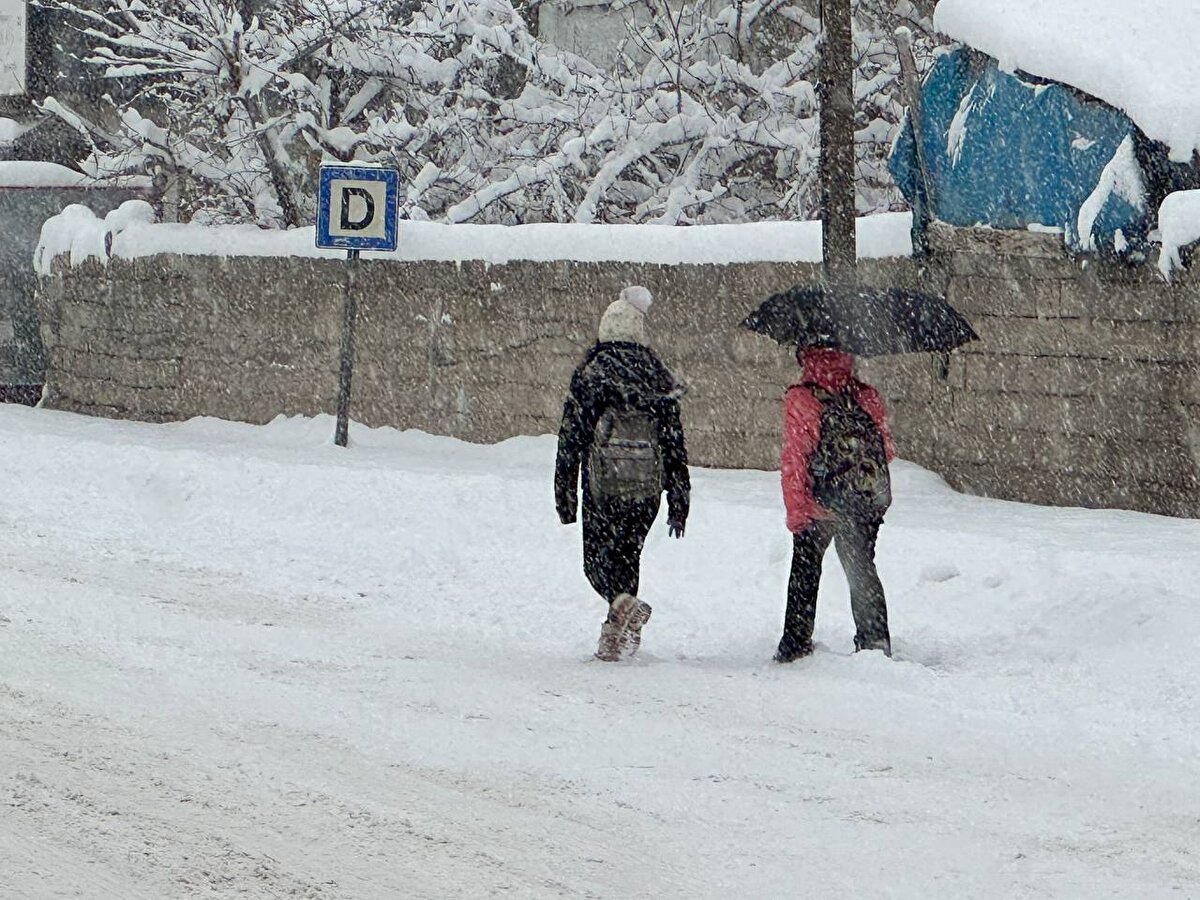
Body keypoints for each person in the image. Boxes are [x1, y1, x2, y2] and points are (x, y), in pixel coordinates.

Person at [555, 286, 689, 661]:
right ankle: (616, 637)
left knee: (595, 562)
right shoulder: (658, 378)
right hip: (646, 487)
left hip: (603, 485)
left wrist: (564, 494)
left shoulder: (591, 374)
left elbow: (571, 439)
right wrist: (679, 497)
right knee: (629, 554)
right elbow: (674, 445)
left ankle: (622, 608)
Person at [775, 347, 895, 662]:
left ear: (805, 357)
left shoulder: (802, 399)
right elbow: (887, 451)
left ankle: (796, 643)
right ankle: (875, 640)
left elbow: (795, 460)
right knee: (861, 569)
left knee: (805, 569)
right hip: (862, 501)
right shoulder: (865, 396)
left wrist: (797, 511)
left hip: (821, 502)